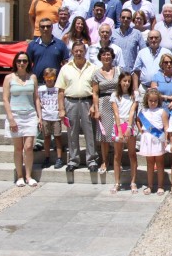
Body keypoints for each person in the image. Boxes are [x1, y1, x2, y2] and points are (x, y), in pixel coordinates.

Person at [56, 43, 98, 172]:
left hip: (87, 102)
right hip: (70, 102)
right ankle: (74, 160)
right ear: (72, 52)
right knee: (72, 132)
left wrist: (94, 106)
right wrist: (61, 109)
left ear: (85, 52)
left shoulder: (93, 68)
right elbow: (61, 91)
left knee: (90, 132)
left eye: (81, 51)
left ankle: (92, 161)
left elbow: (96, 90)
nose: (78, 53)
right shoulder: (65, 69)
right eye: (76, 51)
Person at [3, 52, 41, 187]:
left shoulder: (33, 77)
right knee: (18, 148)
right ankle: (20, 176)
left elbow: (36, 98)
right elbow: (5, 99)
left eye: (24, 61)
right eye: (19, 61)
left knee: (29, 147)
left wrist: (39, 117)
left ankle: (29, 176)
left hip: (30, 115)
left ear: (28, 63)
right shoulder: (9, 78)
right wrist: (11, 118)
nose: (21, 63)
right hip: (15, 115)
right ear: (15, 62)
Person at [91, 46, 121, 175]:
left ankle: (117, 160)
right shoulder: (96, 73)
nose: (106, 57)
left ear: (112, 56)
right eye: (104, 55)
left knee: (118, 132)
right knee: (104, 135)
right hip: (103, 103)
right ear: (100, 57)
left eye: (108, 54)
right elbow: (95, 93)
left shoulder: (119, 70)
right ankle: (104, 160)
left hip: (118, 102)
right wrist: (96, 109)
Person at [110, 72, 139, 194]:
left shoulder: (134, 95)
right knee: (117, 155)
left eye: (129, 81)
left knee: (132, 154)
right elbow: (116, 113)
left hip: (129, 124)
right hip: (118, 124)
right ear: (120, 82)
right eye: (124, 81)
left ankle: (133, 181)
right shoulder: (115, 95)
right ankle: (117, 182)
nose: (126, 83)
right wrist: (120, 130)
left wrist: (128, 127)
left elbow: (132, 111)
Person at [137, 89, 168, 196]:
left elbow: (166, 126)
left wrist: (166, 140)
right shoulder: (143, 111)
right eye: (151, 100)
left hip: (158, 138)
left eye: (155, 100)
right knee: (149, 163)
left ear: (158, 100)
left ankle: (160, 186)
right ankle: (150, 185)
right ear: (147, 100)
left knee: (159, 163)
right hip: (147, 138)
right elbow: (138, 120)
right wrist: (140, 128)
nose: (153, 102)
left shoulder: (162, 111)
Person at [26, 17, 70, 82]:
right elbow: (27, 65)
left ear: (52, 28)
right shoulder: (32, 45)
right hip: (37, 82)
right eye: (42, 27)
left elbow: (65, 65)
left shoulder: (60, 44)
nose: (45, 29)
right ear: (39, 28)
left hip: (55, 83)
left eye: (48, 26)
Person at [36, 68, 63, 169]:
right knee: (46, 137)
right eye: (47, 77)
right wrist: (39, 116)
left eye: (51, 77)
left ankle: (59, 158)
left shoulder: (58, 88)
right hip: (45, 116)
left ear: (55, 78)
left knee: (57, 136)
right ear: (44, 77)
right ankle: (47, 157)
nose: (49, 79)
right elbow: (37, 101)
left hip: (55, 116)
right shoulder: (41, 89)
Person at [132, 30, 172, 96]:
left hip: (161, 89)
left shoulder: (167, 52)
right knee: (142, 106)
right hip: (144, 89)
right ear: (147, 39)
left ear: (160, 39)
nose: (153, 40)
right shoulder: (142, 52)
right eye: (151, 38)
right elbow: (136, 71)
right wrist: (136, 89)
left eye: (156, 38)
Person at [112, 9, 147, 73]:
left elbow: (144, 51)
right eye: (123, 17)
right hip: (115, 72)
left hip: (131, 72)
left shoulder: (137, 33)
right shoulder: (112, 33)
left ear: (131, 20)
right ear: (119, 18)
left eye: (128, 18)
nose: (125, 19)